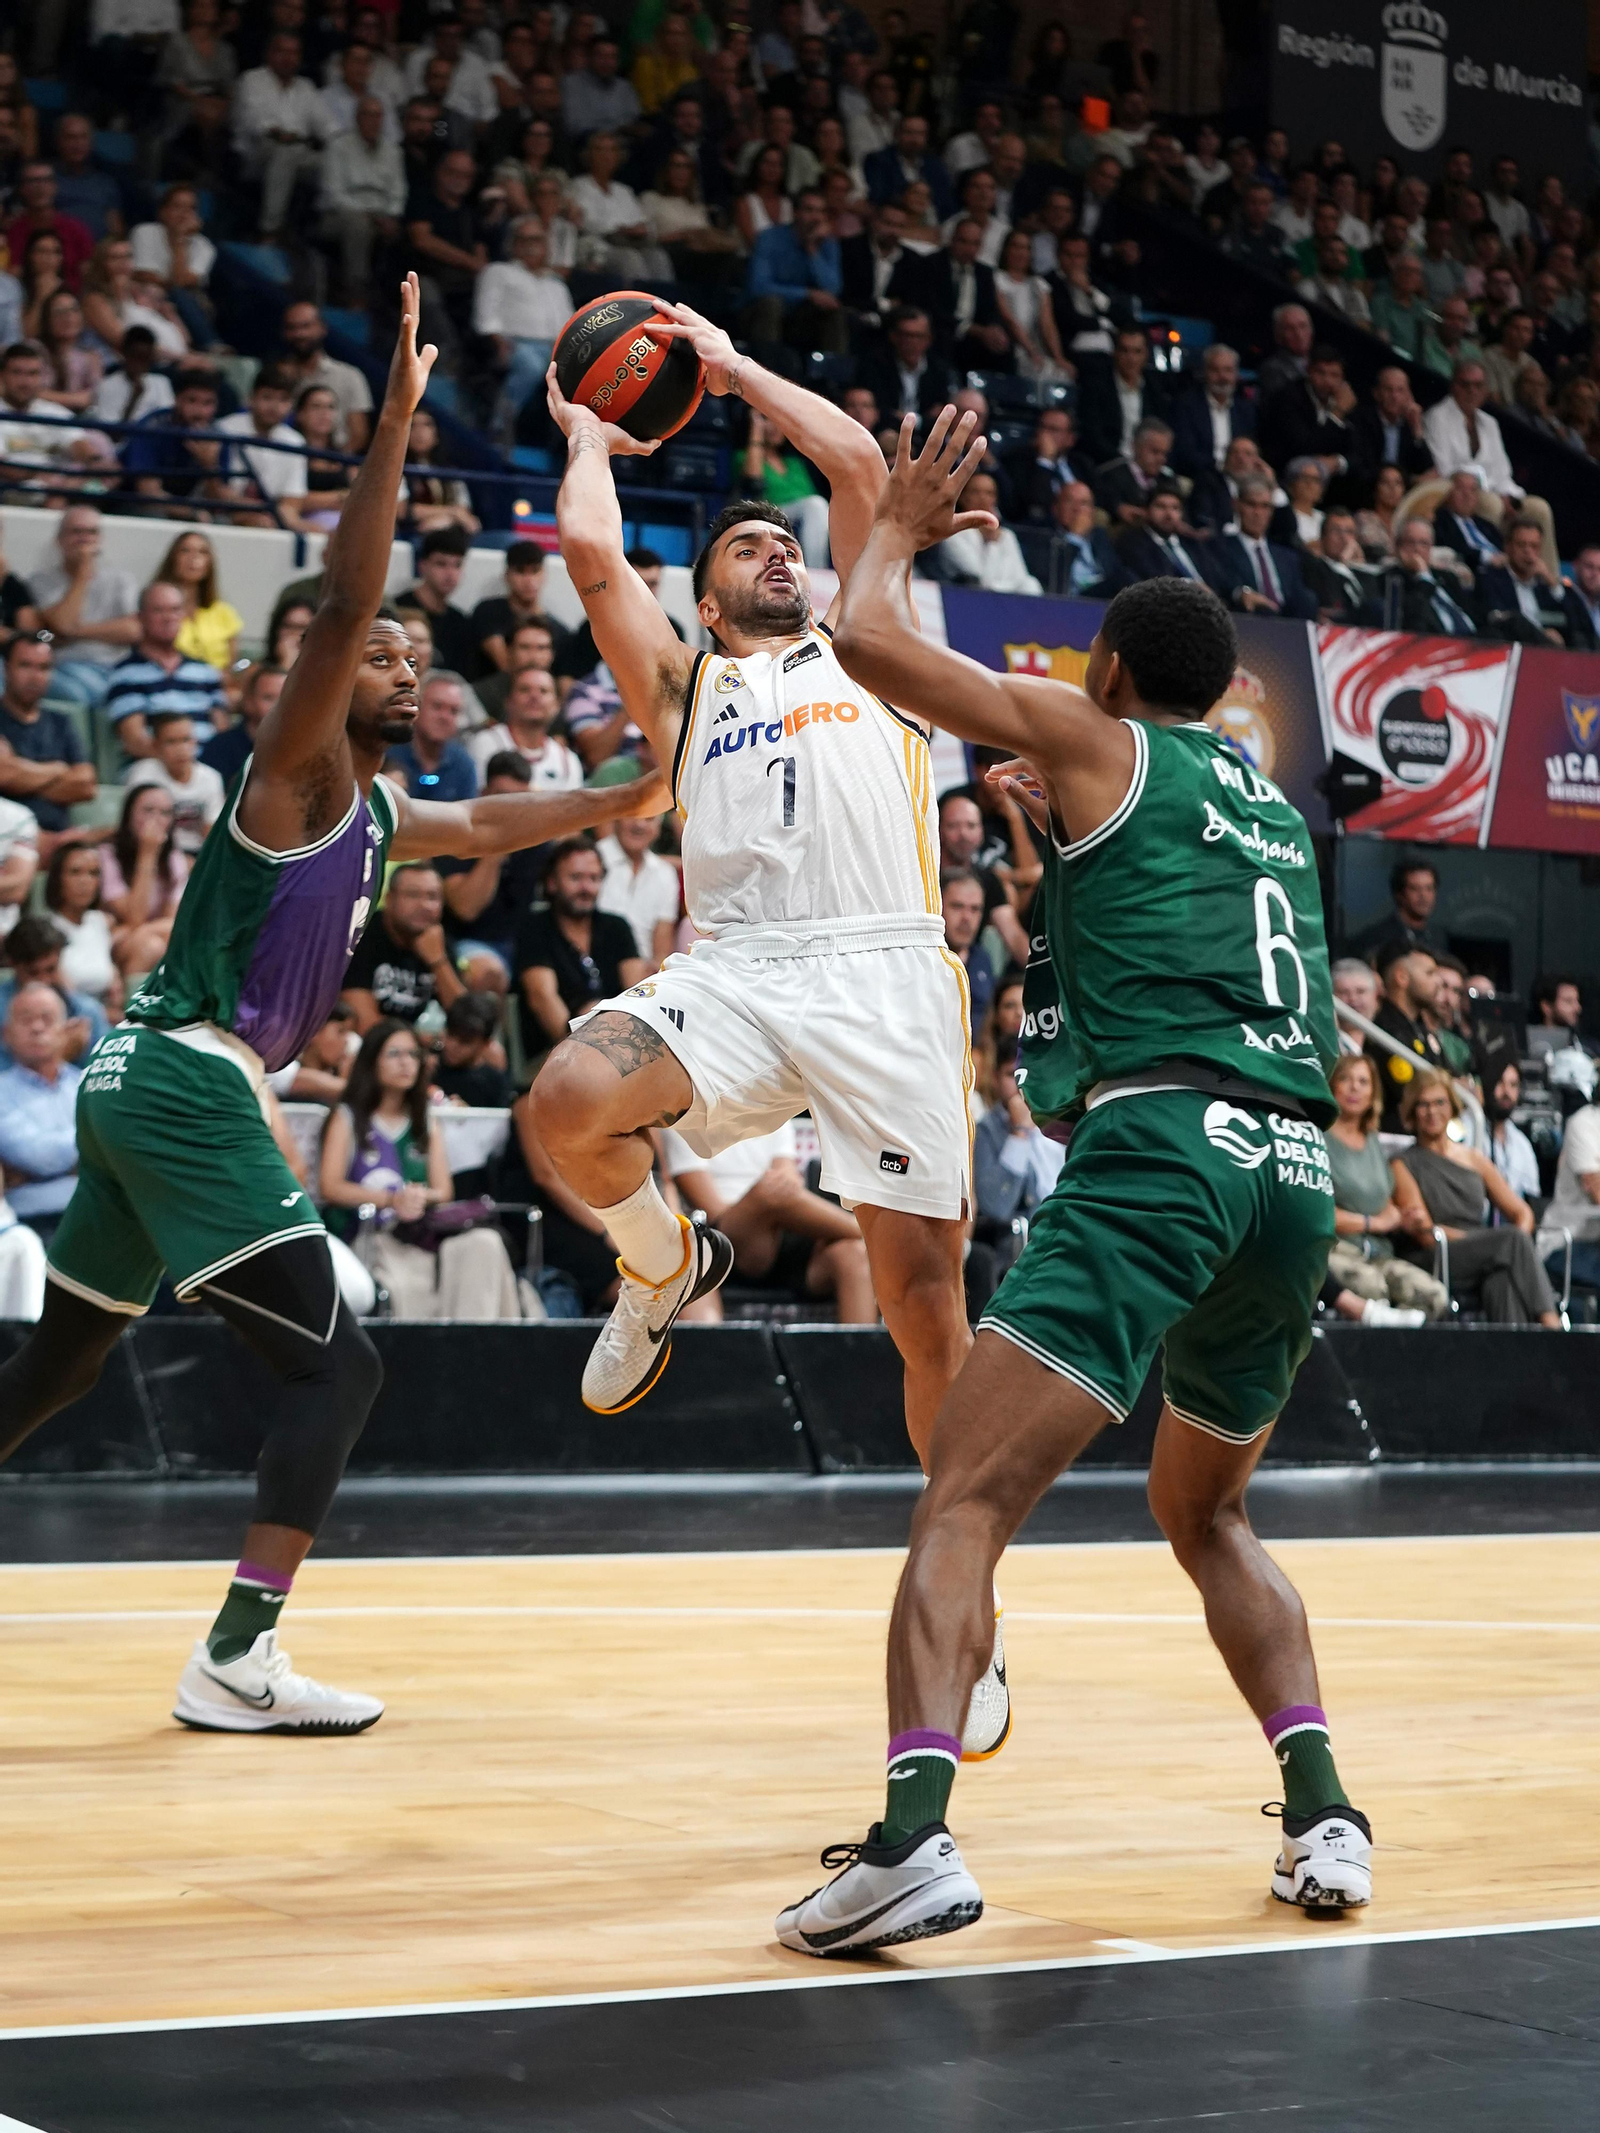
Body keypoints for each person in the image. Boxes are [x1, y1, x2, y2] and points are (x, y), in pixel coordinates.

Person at [0, 277, 666, 1736]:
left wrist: (621, 794)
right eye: (380, 654)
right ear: (312, 672)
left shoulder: (373, 811)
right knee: (340, 1366)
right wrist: (396, 427)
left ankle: (238, 1651)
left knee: (60, 1361)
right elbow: (348, 598)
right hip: (183, 1077)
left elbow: (485, 823)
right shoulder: (295, 774)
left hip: (144, 1081)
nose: (404, 662)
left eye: (417, 656)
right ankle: (238, 1655)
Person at [776, 451, 1368, 1956]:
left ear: (1105, 671)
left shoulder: (1093, 733)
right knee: (1208, 1512)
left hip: (1166, 1155)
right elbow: (1104, 1022)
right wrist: (1056, 865)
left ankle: (911, 1841)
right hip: (1292, 1178)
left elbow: (871, 648)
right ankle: (1324, 1815)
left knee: (963, 1498)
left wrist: (893, 533)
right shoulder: (1268, 809)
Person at [535, 304, 984, 1757]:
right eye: (746, 550)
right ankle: (659, 1262)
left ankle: (962, 1605)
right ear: (711, 605)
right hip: (735, 970)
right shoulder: (687, 686)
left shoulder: (877, 642)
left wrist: (728, 372)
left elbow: (856, 466)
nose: (779, 553)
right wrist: (587, 436)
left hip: (886, 973)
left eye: (785, 545)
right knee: (565, 1102)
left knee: (923, 1305)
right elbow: (592, 557)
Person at [318, 1014, 524, 1320]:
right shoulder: (347, 1116)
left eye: (413, 1054)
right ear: (371, 1061)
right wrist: (391, 1200)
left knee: (485, 1243)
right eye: (394, 1054)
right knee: (409, 1281)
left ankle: (479, 1341)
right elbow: (330, 1187)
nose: (406, 1063)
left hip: (422, 1231)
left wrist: (418, 1197)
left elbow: (443, 1191)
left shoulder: (426, 1120)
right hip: (370, 1234)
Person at [662, 1120, 879, 1324]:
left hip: (782, 1227)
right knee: (768, 1192)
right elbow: (713, 1208)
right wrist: (761, 1202)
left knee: (854, 1253)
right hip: (722, 1237)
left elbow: (789, 1179)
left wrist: (776, 1196)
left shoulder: (775, 1106)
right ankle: (874, 1236)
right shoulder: (686, 1120)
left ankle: (862, 1350)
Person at [1397, 1073, 1559, 1327]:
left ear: (1452, 1107)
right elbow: (1426, 1233)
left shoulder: (1474, 1158)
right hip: (1436, 1253)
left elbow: (1522, 1213)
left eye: (1439, 1102)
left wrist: (1505, 1247)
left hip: (1486, 1252)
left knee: (1502, 1279)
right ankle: (1553, 1329)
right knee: (1510, 1242)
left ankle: (1515, 1351)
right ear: (1412, 1111)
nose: (1432, 1112)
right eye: (1423, 1104)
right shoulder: (1402, 1164)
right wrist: (1491, 1243)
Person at [1323, 1053, 1447, 1322]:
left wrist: (1403, 1219)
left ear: (1373, 1094)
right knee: (1372, 1287)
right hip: (1338, 1251)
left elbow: (1386, 1204)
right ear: (1332, 1086)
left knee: (1434, 1296)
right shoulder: (1318, 1137)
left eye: (1363, 1082)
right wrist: (1372, 1223)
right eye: (1345, 1079)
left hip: (1380, 1254)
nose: (1354, 1088)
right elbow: (1317, 1213)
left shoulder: (1373, 1143)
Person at [515, 835, 645, 1055]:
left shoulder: (617, 927)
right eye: (575, 878)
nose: (586, 888)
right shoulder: (534, 928)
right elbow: (541, 997)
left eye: (594, 878)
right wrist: (579, 1046)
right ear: (552, 882)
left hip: (621, 1048)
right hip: (554, 1052)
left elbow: (636, 993)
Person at [25, 504, 141, 710]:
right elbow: (56, 627)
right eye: (76, 532)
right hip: (64, 668)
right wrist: (82, 576)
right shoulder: (40, 581)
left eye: (91, 532)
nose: (84, 538)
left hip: (115, 667)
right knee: (85, 694)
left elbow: (134, 630)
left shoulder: (122, 580)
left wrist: (73, 632)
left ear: (100, 539)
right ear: (60, 539)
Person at [472, 215, 573, 442]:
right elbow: (485, 316)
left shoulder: (555, 283)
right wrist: (497, 342)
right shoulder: (497, 271)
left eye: (537, 240)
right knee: (531, 366)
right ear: (513, 244)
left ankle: (569, 440)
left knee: (586, 374)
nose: (531, 246)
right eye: (524, 239)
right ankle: (499, 428)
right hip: (514, 344)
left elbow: (570, 324)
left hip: (556, 349)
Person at [103, 579, 226, 762]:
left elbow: (222, 733)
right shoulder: (125, 674)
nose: (169, 618)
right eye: (159, 610)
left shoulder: (206, 672)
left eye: (175, 610)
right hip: (153, 766)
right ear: (140, 617)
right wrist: (181, 765)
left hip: (205, 769)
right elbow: (135, 742)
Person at [0, 633, 97, 858]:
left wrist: (21, 777)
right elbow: (4, 774)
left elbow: (86, 785)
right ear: (6, 668)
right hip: (8, 836)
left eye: (43, 668)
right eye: (25, 665)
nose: (34, 677)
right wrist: (58, 770)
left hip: (59, 840)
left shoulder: (61, 722)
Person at [0, 982, 81, 1245]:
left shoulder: (87, 1084)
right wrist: (89, 1152)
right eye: (26, 1020)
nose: (37, 1027)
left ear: (66, 1030)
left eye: (47, 1018)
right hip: (35, 1223)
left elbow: (118, 1144)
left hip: (100, 1213)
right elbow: (38, 1157)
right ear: (6, 1034)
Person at [340, 859, 465, 1029]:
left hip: (422, 1040)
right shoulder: (363, 937)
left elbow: (467, 1021)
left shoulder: (439, 940)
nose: (425, 905)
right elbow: (363, 1022)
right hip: (374, 1042)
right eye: (413, 895)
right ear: (389, 899)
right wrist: (421, 1040)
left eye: (433, 897)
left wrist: (438, 961)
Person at [467, 665, 581, 788]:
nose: (534, 696)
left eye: (543, 691)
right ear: (508, 701)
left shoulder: (568, 760)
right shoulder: (485, 743)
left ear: (557, 705)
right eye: (525, 690)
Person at [598, 810, 680, 974]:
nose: (639, 824)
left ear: (658, 827)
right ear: (616, 818)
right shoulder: (591, 861)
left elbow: (661, 952)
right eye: (633, 815)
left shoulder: (665, 874)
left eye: (649, 818)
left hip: (643, 977)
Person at [152, 529, 242, 671]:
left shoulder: (224, 612)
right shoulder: (155, 608)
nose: (193, 558)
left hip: (215, 681)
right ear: (173, 558)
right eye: (185, 551)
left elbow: (231, 667)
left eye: (202, 552)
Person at [383, 670, 477, 803]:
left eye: (453, 711)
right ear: (416, 707)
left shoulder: (463, 765)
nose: (445, 717)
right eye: (437, 706)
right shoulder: (386, 753)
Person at [42, 842, 117, 1002]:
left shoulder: (102, 922)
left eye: (93, 873)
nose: (85, 881)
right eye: (75, 872)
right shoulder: (45, 929)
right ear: (58, 878)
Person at [202, 661, 284, 785]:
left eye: (285, 697)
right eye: (269, 698)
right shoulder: (219, 748)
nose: (278, 705)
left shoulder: (304, 749)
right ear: (248, 702)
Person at [1349, 858, 1445, 962]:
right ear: (1399, 894)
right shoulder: (1377, 938)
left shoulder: (1438, 937)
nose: (1423, 896)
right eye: (1415, 888)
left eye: (1429, 888)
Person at [1484, 1059, 1540, 1203]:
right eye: (1500, 1083)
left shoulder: (1522, 1144)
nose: (1506, 1092)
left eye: (1513, 1085)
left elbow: (1532, 1199)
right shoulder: (1468, 1130)